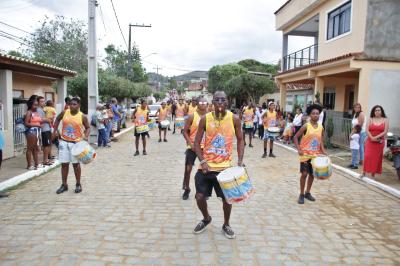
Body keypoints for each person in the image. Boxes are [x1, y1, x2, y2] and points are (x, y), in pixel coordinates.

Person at [192, 91, 244, 239]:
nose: (220, 102)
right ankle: (206, 218)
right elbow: (196, 143)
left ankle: (226, 224)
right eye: (217, 100)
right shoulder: (205, 119)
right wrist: (202, 161)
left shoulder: (234, 119)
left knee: (227, 199)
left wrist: (240, 161)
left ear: (227, 102)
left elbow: (240, 140)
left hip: (225, 168)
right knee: (199, 197)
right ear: (212, 103)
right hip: (206, 167)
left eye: (223, 100)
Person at [52, 97, 90, 194]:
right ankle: (64, 185)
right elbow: (57, 119)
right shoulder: (65, 112)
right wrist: (55, 130)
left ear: (79, 105)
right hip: (64, 142)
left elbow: (88, 127)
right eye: (71, 104)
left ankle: (78, 184)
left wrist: (86, 136)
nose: (72, 106)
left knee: (75, 165)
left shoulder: (82, 116)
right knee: (64, 164)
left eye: (74, 104)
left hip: (76, 143)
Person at [294, 104, 326, 204]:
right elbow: (295, 137)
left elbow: (321, 140)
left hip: (315, 155)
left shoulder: (321, 127)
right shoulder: (306, 126)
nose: (315, 115)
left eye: (317, 113)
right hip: (305, 154)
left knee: (312, 174)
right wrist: (299, 149)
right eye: (313, 113)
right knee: (304, 174)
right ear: (310, 115)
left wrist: (323, 151)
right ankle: (301, 194)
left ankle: (308, 192)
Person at [182, 97, 208, 200]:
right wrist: (190, 143)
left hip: (205, 147)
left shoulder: (209, 116)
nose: (203, 104)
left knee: (206, 170)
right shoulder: (192, 116)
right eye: (201, 102)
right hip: (192, 147)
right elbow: (184, 131)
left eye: (205, 102)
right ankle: (187, 188)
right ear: (197, 104)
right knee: (188, 169)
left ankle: (204, 191)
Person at [363, 105, 389, 178]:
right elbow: (367, 129)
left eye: (379, 110)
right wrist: (371, 137)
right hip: (370, 141)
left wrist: (375, 137)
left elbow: (385, 131)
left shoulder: (385, 120)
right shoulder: (370, 119)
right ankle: (364, 172)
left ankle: (373, 174)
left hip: (379, 142)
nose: (377, 111)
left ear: (381, 111)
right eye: (376, 110)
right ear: (373, 112)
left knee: (376, 158)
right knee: (367, 156)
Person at [24, 97, 43, 170]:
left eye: (37, 105)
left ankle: (37, 164)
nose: (36, 106)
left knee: (35, 149)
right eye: (34, 105)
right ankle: (29, 165)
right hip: (31, 132)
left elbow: (39, 120)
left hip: (37, 132)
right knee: (30, 148)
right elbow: (26, 123)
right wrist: (37, 125)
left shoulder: (36, 112)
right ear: (30, 105)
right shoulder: (29, 112)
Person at [37, 96, 53, 166]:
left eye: (44, 101)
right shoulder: (38, 110)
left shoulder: (43, 109)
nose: (43, 102)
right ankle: (45, 160)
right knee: (46, 145)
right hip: (44, 129)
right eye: (41, 101)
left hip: (47, 128)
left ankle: (47, 159)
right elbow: (40, 119)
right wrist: (48, 119)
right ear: (38, 102)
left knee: (48, 144)